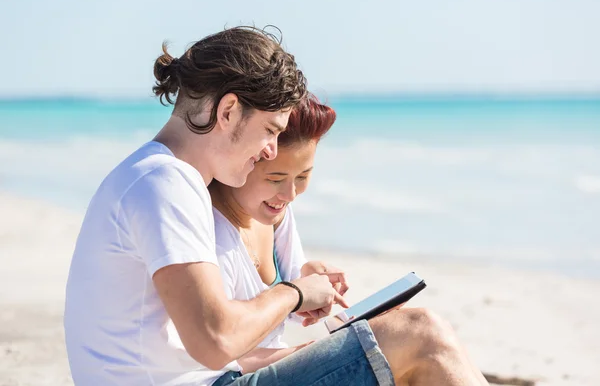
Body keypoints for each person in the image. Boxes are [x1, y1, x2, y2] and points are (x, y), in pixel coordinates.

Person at [64, 26, 341, 386]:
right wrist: (295, 292)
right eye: (271, 130)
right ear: (228, 111)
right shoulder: (164, 182)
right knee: (414, 334)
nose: (271, 150)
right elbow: (215, 341)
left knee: (401, 334)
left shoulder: (163, 177)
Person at [209, 95, 490, 385]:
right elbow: (203, 358)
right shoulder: (207, 233)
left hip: (267, 369)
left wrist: (307, 279)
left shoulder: (274, 214)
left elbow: (288, 308)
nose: (290, 193)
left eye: (303, 176)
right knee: (420, 331)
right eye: (275, 178)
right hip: (225, 379)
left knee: (417, 335)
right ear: (245, 159)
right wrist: (309, 350)